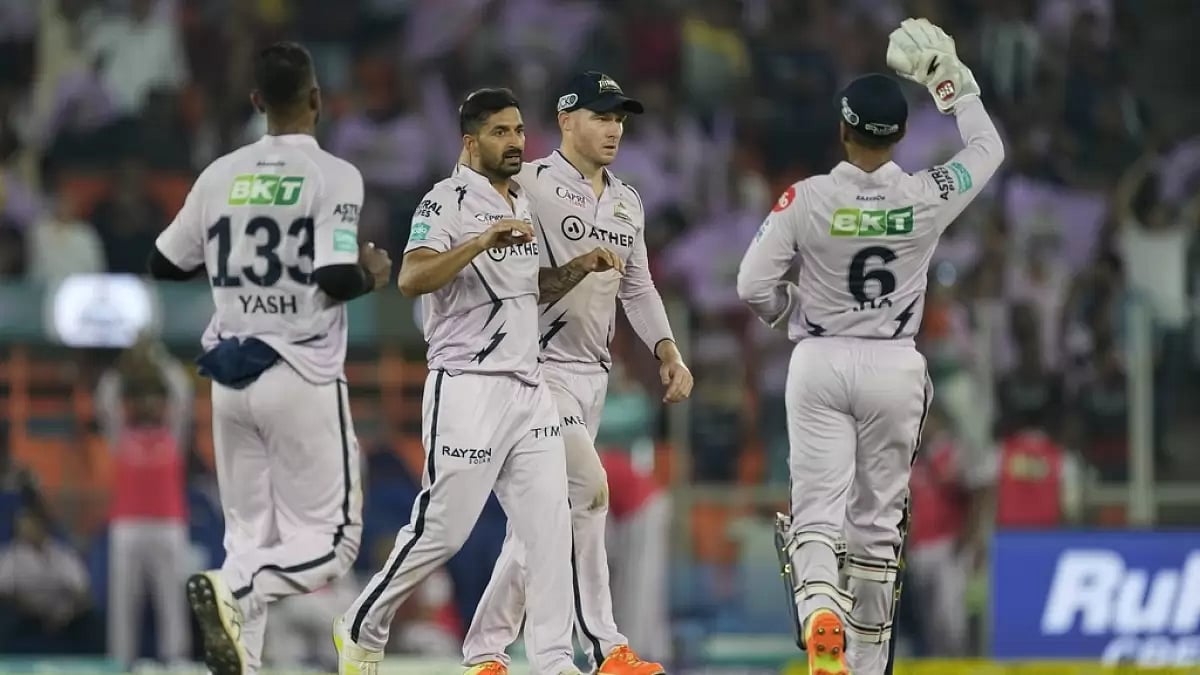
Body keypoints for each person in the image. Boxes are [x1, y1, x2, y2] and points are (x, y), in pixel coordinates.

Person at [735, 18, 1004, 675]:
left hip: (820, 359)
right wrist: (952, 82)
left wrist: (789, 312)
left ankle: (817, 611)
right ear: (901, 135)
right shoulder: (925, 195)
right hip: (894, 363)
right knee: (878, 525)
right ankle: (864, 661)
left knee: (818, 509)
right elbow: (989, 149)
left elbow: (751, 286)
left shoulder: (807, 198)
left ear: (842, 129)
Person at [335, 88, 616, 675]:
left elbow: (524, 293)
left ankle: (554, 661)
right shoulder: (446, 201)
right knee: (444, 530)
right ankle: (361, 623)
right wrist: (481, 240)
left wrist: (572, 270)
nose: (515, 142)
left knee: (549, 525)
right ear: (470, 140)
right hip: (467, 384)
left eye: (518, 131)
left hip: (527, 387)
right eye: (500, 133)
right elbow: (411, 279)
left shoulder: (521, 203)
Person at [147, 42, 391, 675]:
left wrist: (233, 259)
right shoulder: (334, 175)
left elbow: (163, 263)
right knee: (334, 545)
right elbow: (337, 278)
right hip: (299, 371)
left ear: (257, 102)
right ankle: (237, 592)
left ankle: (240, 656)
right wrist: (372, 274)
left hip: (228, 376)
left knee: (248, 542)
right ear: (316, 99)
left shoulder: (220, 174)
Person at [457, 72, 692, 675]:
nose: (614, 128)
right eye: (601, 115)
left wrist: (666, 348)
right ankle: (605, 645)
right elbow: (492, 266)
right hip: (535, 369)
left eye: (620, 118)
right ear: (566, 120)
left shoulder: (627, 199)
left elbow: (636, 286)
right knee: (588, 494)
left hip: (593, 373)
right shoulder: (527, 184)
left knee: (540, 523)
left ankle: (486, 651)